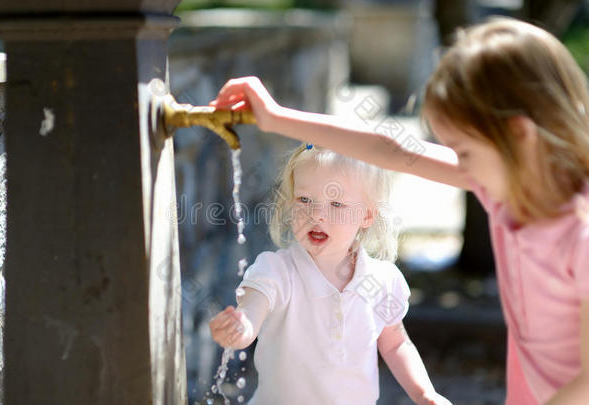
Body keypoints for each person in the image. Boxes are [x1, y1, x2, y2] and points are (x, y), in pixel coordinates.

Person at [208, 17, 589, 405]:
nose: (460, 166)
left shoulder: (580, 233)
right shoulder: (508, 191)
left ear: (520, 136)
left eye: (466, 152)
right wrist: (277, 118)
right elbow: (398, 152)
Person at [209, 143, 452, 405]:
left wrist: (424, 393)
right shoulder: (277, 271)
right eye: (304, 199)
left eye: (336, 203)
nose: (316, 214)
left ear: (367, 215)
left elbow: (395, 344)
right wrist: (241, 328)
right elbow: (252, 310)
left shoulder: (382, 281)